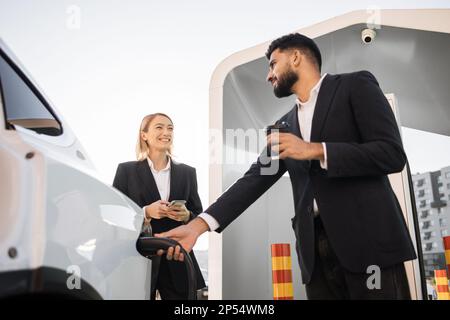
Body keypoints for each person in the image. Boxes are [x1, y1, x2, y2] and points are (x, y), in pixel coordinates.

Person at [157, 33, 417, 300]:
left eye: (272, 64)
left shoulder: (355, 86)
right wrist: (198, 226)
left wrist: (315, 150)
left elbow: (391, 153)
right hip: (315, 257)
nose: (269, 75)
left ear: (295, 57)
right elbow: (253, 180)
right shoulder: (283, 126)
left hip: (370, 247)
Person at [113, 113, 206, 300]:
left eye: (170, 128)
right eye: (159, 127)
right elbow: (115, 214)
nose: (166, 132)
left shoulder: (188, 173)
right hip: (138, 257)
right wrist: (146, 212)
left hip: (177, 257)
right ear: (144, 135)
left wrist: (186, 215)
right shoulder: (126, 171)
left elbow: (198, 215)